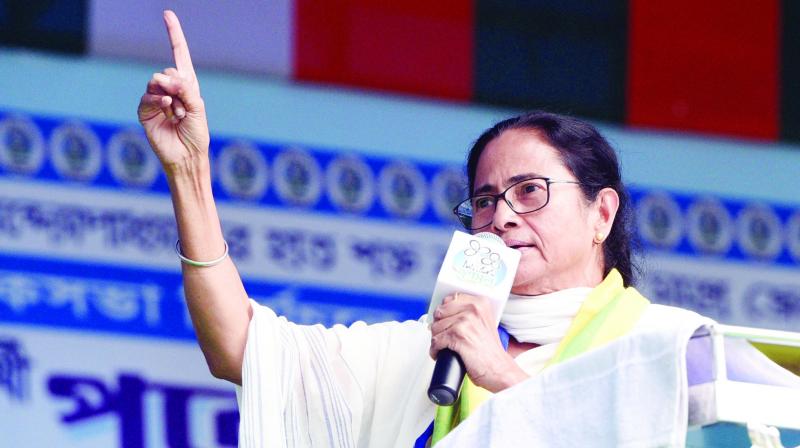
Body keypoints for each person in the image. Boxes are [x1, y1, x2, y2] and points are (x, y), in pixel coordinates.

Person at [140, 11, 799, 448]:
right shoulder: (432, 355)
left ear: (603, 214)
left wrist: (504, 380)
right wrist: (191, 173)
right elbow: (239, 346)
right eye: (483, 201)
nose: (502, 215)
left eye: (530, 192)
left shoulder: (677, 351)